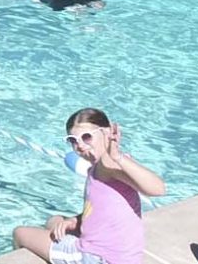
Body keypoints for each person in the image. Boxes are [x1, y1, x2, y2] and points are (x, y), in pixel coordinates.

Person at [12, 108, 167, 264]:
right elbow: (101, 211)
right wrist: (74, 221)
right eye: (73, 140)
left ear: (107, 132)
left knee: (20, 233)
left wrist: (116, 156)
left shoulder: (108, 164)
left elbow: (158, 189)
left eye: (86, 137)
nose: (79, 145)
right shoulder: (108, 165)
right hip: (125, 258)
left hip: (96, 258)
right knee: (55, 221)